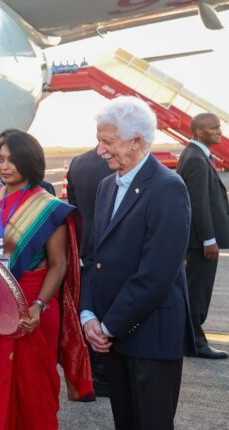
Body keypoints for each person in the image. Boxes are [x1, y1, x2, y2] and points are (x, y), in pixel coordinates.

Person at [0, 130, 94, 429]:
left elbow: (58, 263)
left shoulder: (48, 207)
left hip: (34, 306)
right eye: (0, 159)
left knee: (33, 383)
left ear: (29, 161)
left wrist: (38, 306)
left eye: (12, 160)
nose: (4, 166)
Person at [80, 96, 193, 430]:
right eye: (99, 140)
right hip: (111, 336)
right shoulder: (106, 186)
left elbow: (156, 274)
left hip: (150, 338)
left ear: (137, 141)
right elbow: (92, 257)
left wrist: (109, 326)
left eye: (108, 142)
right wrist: (88, 315)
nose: (100, 150)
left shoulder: (168, 188)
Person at [177, 113, 229, 359]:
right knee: (197, 293)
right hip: (200, 243)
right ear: (199, 132)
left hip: (199, 241)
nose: (220, 131)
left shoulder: (196, 155)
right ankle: (196, 343)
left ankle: (190, 340)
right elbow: (197, 203)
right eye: (214, 128)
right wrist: (209, 239)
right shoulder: (196, 159)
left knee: (195, 291)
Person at [66, 144, 115, 396]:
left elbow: (74, 207)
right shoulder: (117, 162)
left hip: (85, 248)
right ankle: (104, 376)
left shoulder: (78, 162)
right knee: (107, 312)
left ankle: (90, 373)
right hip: (110, 249)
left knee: (87, 310)